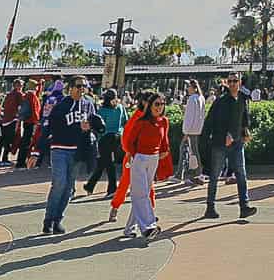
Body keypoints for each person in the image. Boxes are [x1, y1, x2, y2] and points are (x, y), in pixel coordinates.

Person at [41, 78, 95, 235]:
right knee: (59, 183)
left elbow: (96, 123)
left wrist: (89, 128)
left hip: (77, 151)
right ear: (70, 88)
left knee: (69, 187)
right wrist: (37, 151)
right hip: (59, 149)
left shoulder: (88, 105)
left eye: (84, 86)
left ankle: (57, 219)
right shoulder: (61, 105)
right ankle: (48, 221)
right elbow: (48, 127)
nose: (82, 89)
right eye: (78, 86)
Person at [117, 90, 172, 240]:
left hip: (153, 159)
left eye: (162, 104)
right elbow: (129, 142)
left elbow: (164, 140)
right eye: (156, 104)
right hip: (140, 159)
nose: (159, 107)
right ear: (149, 106)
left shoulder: (164, 121)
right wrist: (136, 155)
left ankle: (129, 228)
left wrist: (164, 151)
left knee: (143, 193)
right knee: (140, 193)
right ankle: (148, 226)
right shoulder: (141, 121)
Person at [202, 73, 255, 220]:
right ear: (227, 83)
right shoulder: (221, 101)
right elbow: (212, 122)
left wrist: (245, 131)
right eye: (230, 81)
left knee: (241, 174)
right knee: (214, 176)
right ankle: (210, 207)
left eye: (235, 81)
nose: (232, 84)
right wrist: (224, 135)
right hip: (220, 144)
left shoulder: (243, 99)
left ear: (239, 83)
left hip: (237, 143)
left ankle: (244, 206)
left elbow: (244, 119)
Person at [84, 88, 127, 197]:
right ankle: (90, 185)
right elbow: (125, 121)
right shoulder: (120, 108)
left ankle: (112, 189)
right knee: (104, 163)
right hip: (118, 137)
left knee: (108, 164)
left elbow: (97, 126)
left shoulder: (102, 111)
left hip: (105, 138)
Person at [179, 79, 206, 184]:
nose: (187, 88)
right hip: (197, 129)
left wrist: (186, 132)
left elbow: (189, 117)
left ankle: (194, 174)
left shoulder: (191, 99)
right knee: (193, 152)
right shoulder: (201, 98)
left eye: (188, 86)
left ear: (193, 88)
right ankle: (195, 174)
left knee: (190, 152)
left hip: (190, 131)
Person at [14, 80, 42, 168]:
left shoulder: (27, 95)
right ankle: (22, 162)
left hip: (27, 121)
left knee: (25, 141)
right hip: (31, 121)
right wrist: (37, 120)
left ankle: (21, 161)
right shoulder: (32, 95)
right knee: (27, 142)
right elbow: (34, 108)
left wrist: (41, 84)